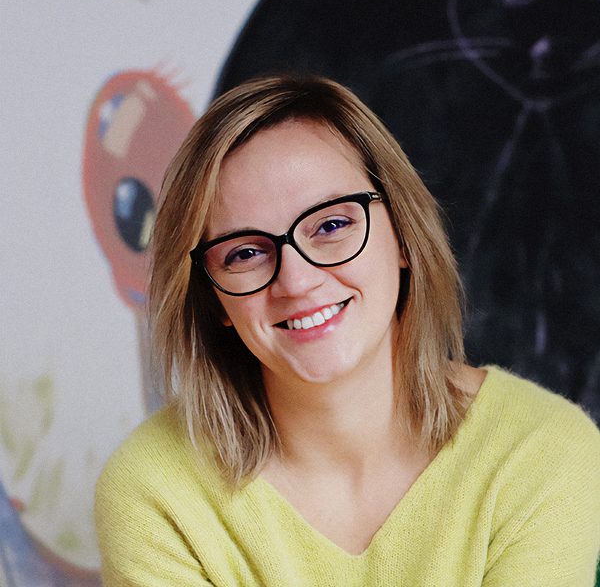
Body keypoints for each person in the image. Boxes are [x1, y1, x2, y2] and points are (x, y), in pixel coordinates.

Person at [95, 75, 600, 586]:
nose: (297, 281)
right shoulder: (156, 493)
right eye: (245, 253)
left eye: (331, 225)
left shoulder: (541, 449)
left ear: (403, 237)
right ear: (213, 299)